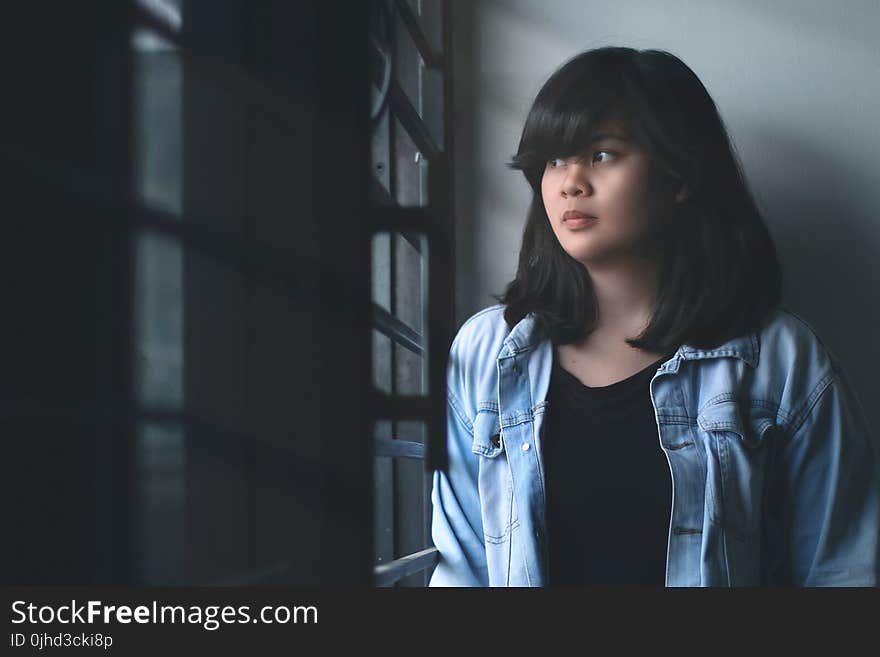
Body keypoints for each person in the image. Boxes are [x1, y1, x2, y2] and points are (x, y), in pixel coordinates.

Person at [428, 46, 880, 587]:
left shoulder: (780, 361)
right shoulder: (484, 354)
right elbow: (462, 571)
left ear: (679, 175)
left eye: (601, 154)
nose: (569, 182)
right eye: (553, 159)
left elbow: (842, 572)